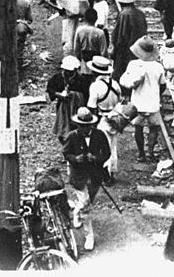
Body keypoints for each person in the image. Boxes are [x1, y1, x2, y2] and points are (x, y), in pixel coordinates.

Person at [62, 107, 111, 252]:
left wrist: (96, 158)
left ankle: (76, 211)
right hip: (79, 175)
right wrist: (74, 159)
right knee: (86, 206)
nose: (84, 129)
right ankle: (89, 236)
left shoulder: (100, 135)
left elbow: (107, 153)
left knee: (87, 202)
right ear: (77, 125)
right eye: (81, 126)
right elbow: (65, 153)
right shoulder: (72, 136)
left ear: (91, 124)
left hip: (95, 175)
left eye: (87, 126)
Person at [120, 37, 167, 162]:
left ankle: (141, 153)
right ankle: (150, 152)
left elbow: (127, 82)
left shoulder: (134, 64)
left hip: (138, 103)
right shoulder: (158, 66)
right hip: (152, 102)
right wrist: (157, 95)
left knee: (138, 128)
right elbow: (163, 84)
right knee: (153, 128)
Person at [85, 56, 122, 181]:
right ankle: (112, 172)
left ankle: (106, 175)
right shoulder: (115, 84)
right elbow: (119, 100)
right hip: (115, 118)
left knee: (103, 147)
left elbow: (91, 107)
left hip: (102, 118)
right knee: (113, 146)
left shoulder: (95, 86)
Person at [48, 55, 89, 143]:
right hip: (63, 106)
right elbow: (50, 89)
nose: (68, 73)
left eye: (71, 72)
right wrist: (58, 95)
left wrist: (76, 96)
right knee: (63, 122)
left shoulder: (81, 79)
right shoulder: (57, 78)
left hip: (76, 106)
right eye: (67, 71)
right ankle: (64, 138)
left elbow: (86, 94)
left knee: (75, 123)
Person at [112, 0, 148, 82]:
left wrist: (115, 50)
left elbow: (119, 37)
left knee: (122, 75)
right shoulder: (140, 13)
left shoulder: (124, 14)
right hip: (139, 49)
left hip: (125, 51)